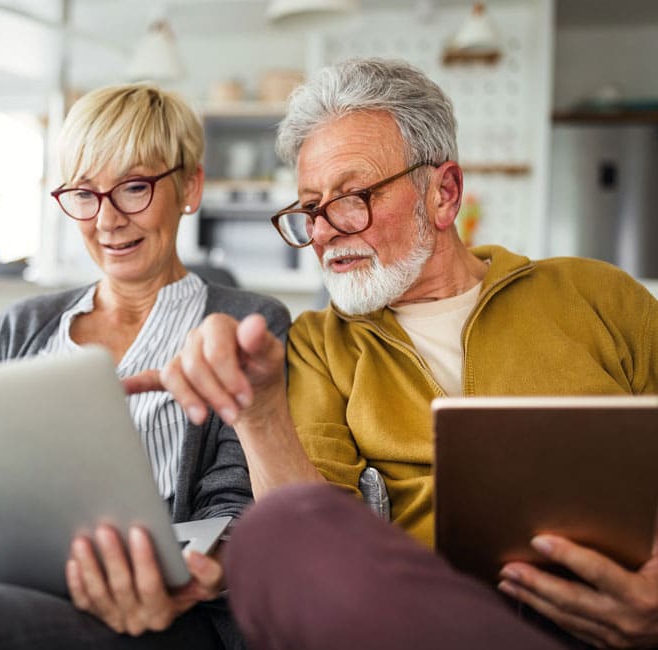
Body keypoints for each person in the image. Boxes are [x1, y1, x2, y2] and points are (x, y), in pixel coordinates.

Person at [140, 58, 658, 649]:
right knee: (274, 532)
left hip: (612, 612)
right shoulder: (319, 344)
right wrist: (256, 413)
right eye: (310, 208)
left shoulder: (596, 294)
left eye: (352, 196)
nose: (326, 230)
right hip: (422, 624)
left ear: (444, 194)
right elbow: (310, 547)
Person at [0, 83, 290, 650]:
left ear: (189, 186)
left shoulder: (247, 323)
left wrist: (194, 569)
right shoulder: (23, 325)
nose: (107, 220)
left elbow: (237, 508)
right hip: (30, 583)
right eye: (84, 194)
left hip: (167, 610)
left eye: (135, 188)